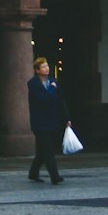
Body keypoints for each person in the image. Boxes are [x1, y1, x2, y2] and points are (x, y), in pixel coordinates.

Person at [27, 55, 68, 185]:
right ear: (37, 70)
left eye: (47, 66)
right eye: (43, 66)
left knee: (43, 150)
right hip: (39, 121)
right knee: (48, 149)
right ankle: (54, 176)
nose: (47, 68)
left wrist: (67, 117)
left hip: (52, 119)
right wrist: (52, 88)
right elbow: (43, 98)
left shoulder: (53, 81)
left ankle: (33, 172)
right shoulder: (33, 84)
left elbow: (61, 100)